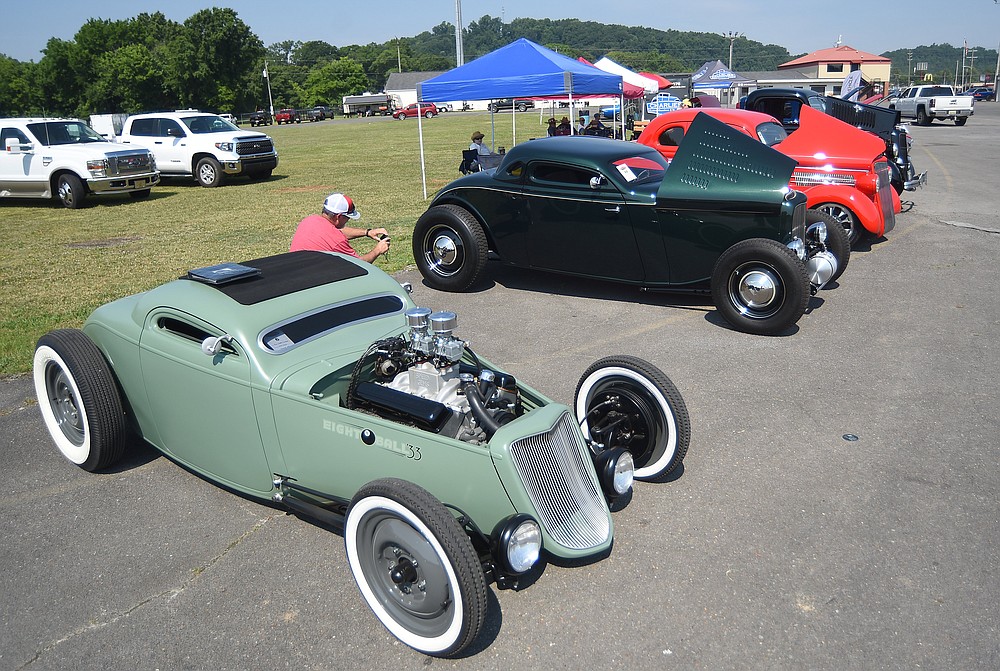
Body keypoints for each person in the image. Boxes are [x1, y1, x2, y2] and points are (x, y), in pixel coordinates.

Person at [289, 193, 390, 263]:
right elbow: (358, 265)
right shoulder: (338, 241)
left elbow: (335, 232)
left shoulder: (309, 220)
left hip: (295, 273)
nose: (348, 220)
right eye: (347, 217)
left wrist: (367, 232)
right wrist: (378, 250)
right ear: (339, 217)